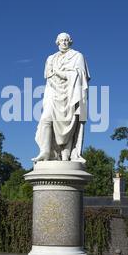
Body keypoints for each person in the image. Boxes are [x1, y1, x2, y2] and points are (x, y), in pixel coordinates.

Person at [32, 32, 90, 162]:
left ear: (70, 41)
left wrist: (60, 73)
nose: (63, 43)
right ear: (57, 42)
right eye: (61, 40)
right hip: (53, 92)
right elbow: (48, 76)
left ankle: (66, 155)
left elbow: (80, 75)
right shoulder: (51, 58)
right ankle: (45, 151)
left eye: (66, 40)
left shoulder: (77, 56)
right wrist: (58, 76)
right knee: (46, 118)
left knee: (69, 124)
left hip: (71, 93)